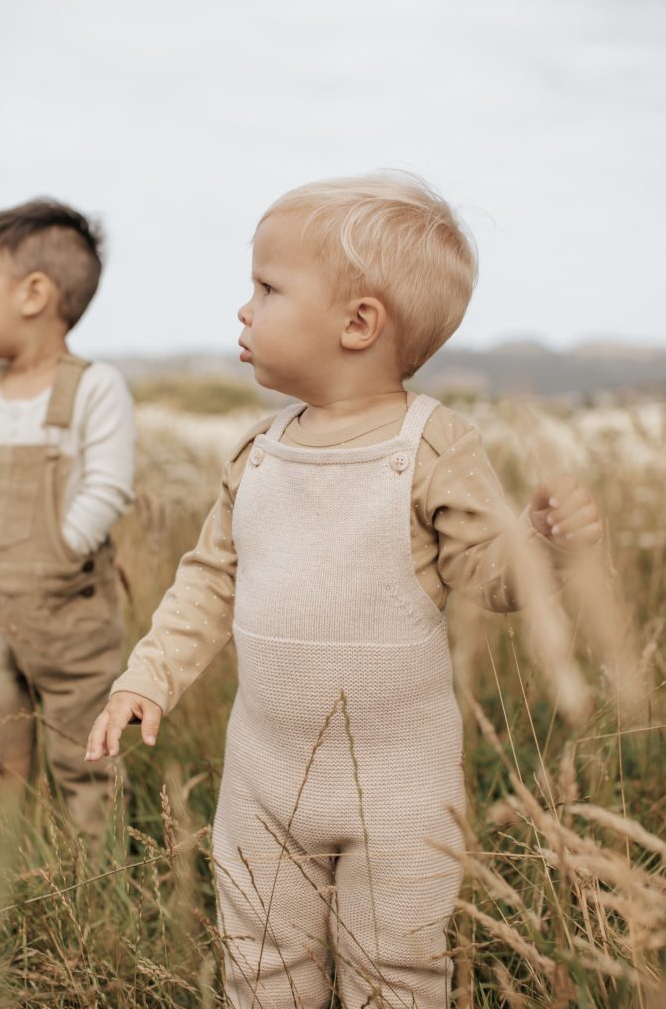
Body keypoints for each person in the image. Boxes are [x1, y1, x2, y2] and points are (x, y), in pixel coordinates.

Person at [85, 172, 603, 1007]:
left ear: (358, 323)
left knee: (393, 968)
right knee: (259, 959)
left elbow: (487, 574)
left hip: (398, 787)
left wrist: (544, 550)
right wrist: (149, 674)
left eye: (266, 288)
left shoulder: (430, 444)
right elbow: (209, 579)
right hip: (262, 773)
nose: (243, 310)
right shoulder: (258, 451)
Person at [0, 199, 136, 843]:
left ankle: (96, 871)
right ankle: (8, 858)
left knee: (84, 750)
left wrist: (61, 547)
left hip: (68, 609)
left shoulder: (94, 386)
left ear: (34, 294)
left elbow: (108, 486)